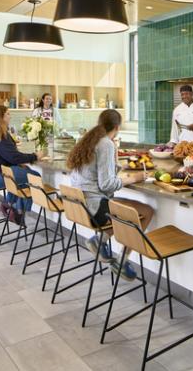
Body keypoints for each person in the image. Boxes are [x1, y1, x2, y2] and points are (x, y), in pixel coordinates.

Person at [67, 109, 154, 281]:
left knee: (126, 213)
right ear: (117, 127)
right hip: (94, 208)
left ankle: (100, 241)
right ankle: (121, 261)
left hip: (81, 205)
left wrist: (115, 162)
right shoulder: (105, 143)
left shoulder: (90, 140)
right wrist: (134, 178)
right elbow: (106, 185)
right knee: (145, 212)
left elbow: (101, 181)